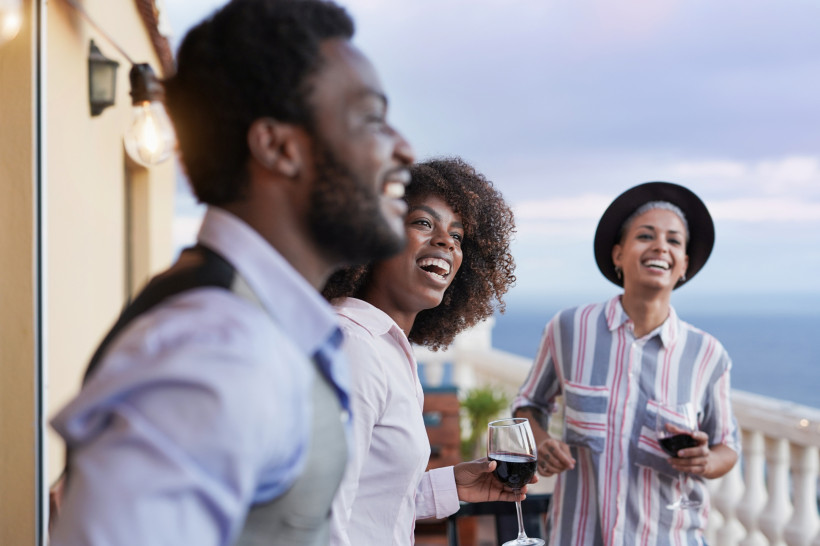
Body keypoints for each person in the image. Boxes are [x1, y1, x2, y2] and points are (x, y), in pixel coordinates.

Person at [49, 1, 414, 544]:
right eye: (370, 118)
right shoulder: (216, 348)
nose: (404, 148)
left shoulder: (257, 327)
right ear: (277, 146)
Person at [513, 181, 740, 545]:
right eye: (645, 235)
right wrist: (539, 442)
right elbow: (528, 405)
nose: (660, 246)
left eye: (674, 241)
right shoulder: (569, 328)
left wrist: (706, 462)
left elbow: (727, 448)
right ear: (618, 255)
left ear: (683, 265)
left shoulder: (707, 354)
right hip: (578, 534)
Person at [322, 157, 521, 546]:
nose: (447, 241)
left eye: (458, 236)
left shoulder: (385, 345)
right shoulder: (354, 347)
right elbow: (321, 517)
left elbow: (372, 504)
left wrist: (453, 485)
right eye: (423, 223)